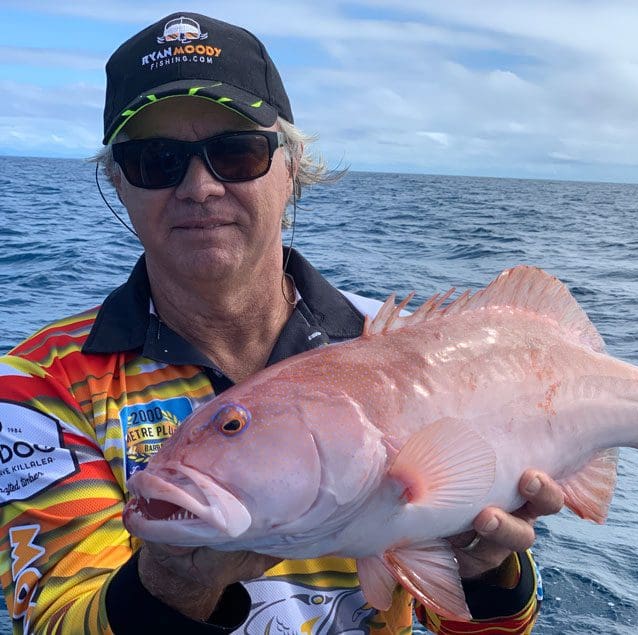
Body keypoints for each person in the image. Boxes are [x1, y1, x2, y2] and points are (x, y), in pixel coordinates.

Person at [0, 12, 564, 634]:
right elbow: (55, 621)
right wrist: (169, 588)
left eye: (236, 154)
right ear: (118, 182)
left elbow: (489, 631)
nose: (199, 187)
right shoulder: (35, 387)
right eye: (156, 161)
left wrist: (486, 568)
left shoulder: (401, 346)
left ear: (292, 168)